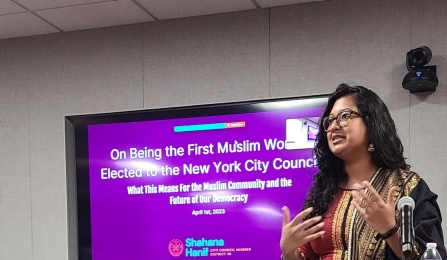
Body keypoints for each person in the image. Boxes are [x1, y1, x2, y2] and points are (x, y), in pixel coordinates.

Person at [280, 83, 446, 259]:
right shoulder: (324, 191)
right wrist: (289, 251)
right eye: (329, 121)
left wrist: (389, 231)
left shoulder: (407, 188)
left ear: (371, 122)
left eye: (345, 116)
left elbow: (431, 255)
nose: (334, 126)